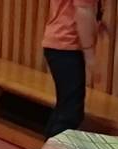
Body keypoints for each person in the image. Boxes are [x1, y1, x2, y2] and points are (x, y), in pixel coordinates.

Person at [43, 0, 100, 140]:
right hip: (67, 46)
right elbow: (83, 12)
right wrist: (90, 55)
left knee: (65, 109)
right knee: (70, 114)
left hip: (57, 42)